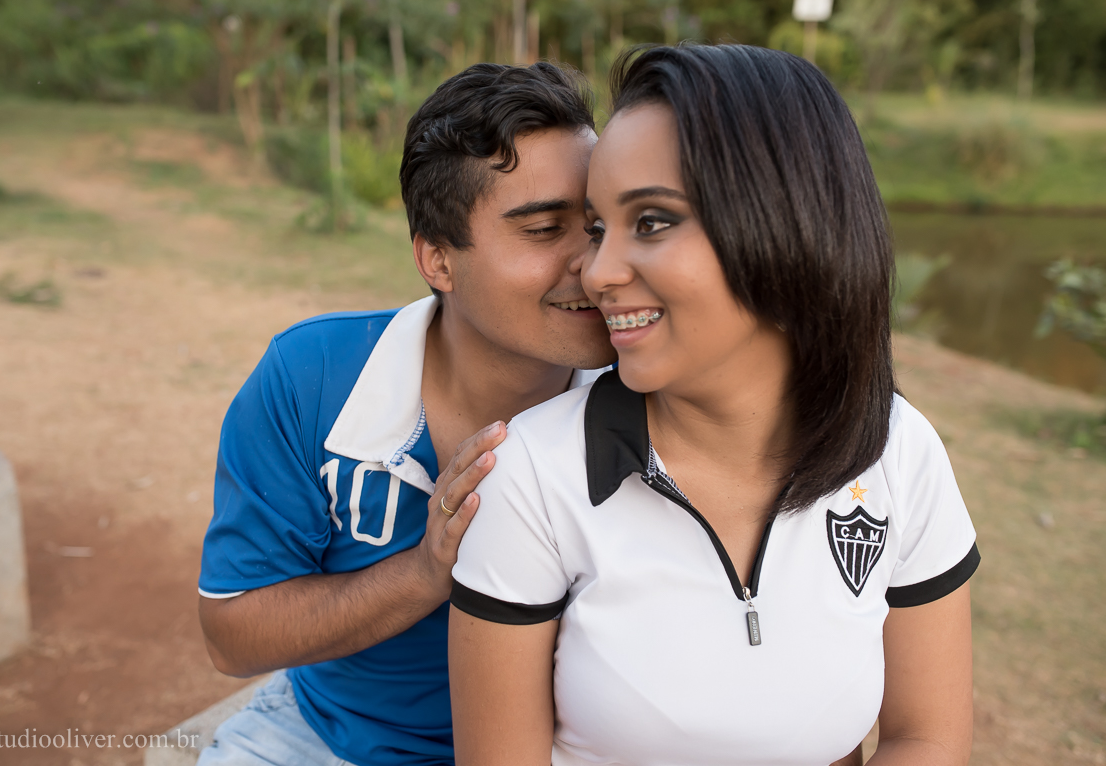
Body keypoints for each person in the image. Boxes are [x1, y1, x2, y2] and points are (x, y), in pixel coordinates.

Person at [449, 44, 980, 766]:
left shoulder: (898, 451)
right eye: (600, 229)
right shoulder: (532, 477)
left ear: (786, 222)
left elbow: (928, 736)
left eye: (652, 221)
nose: (597, 272)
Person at [195, 61, 615, 766]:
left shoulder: (648, 393)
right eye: (545, 229)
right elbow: (233, 634)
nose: (596, 266)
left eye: (601, 226)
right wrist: (424, 571)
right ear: (438, 260)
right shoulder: (315, 380)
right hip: (322, 736)